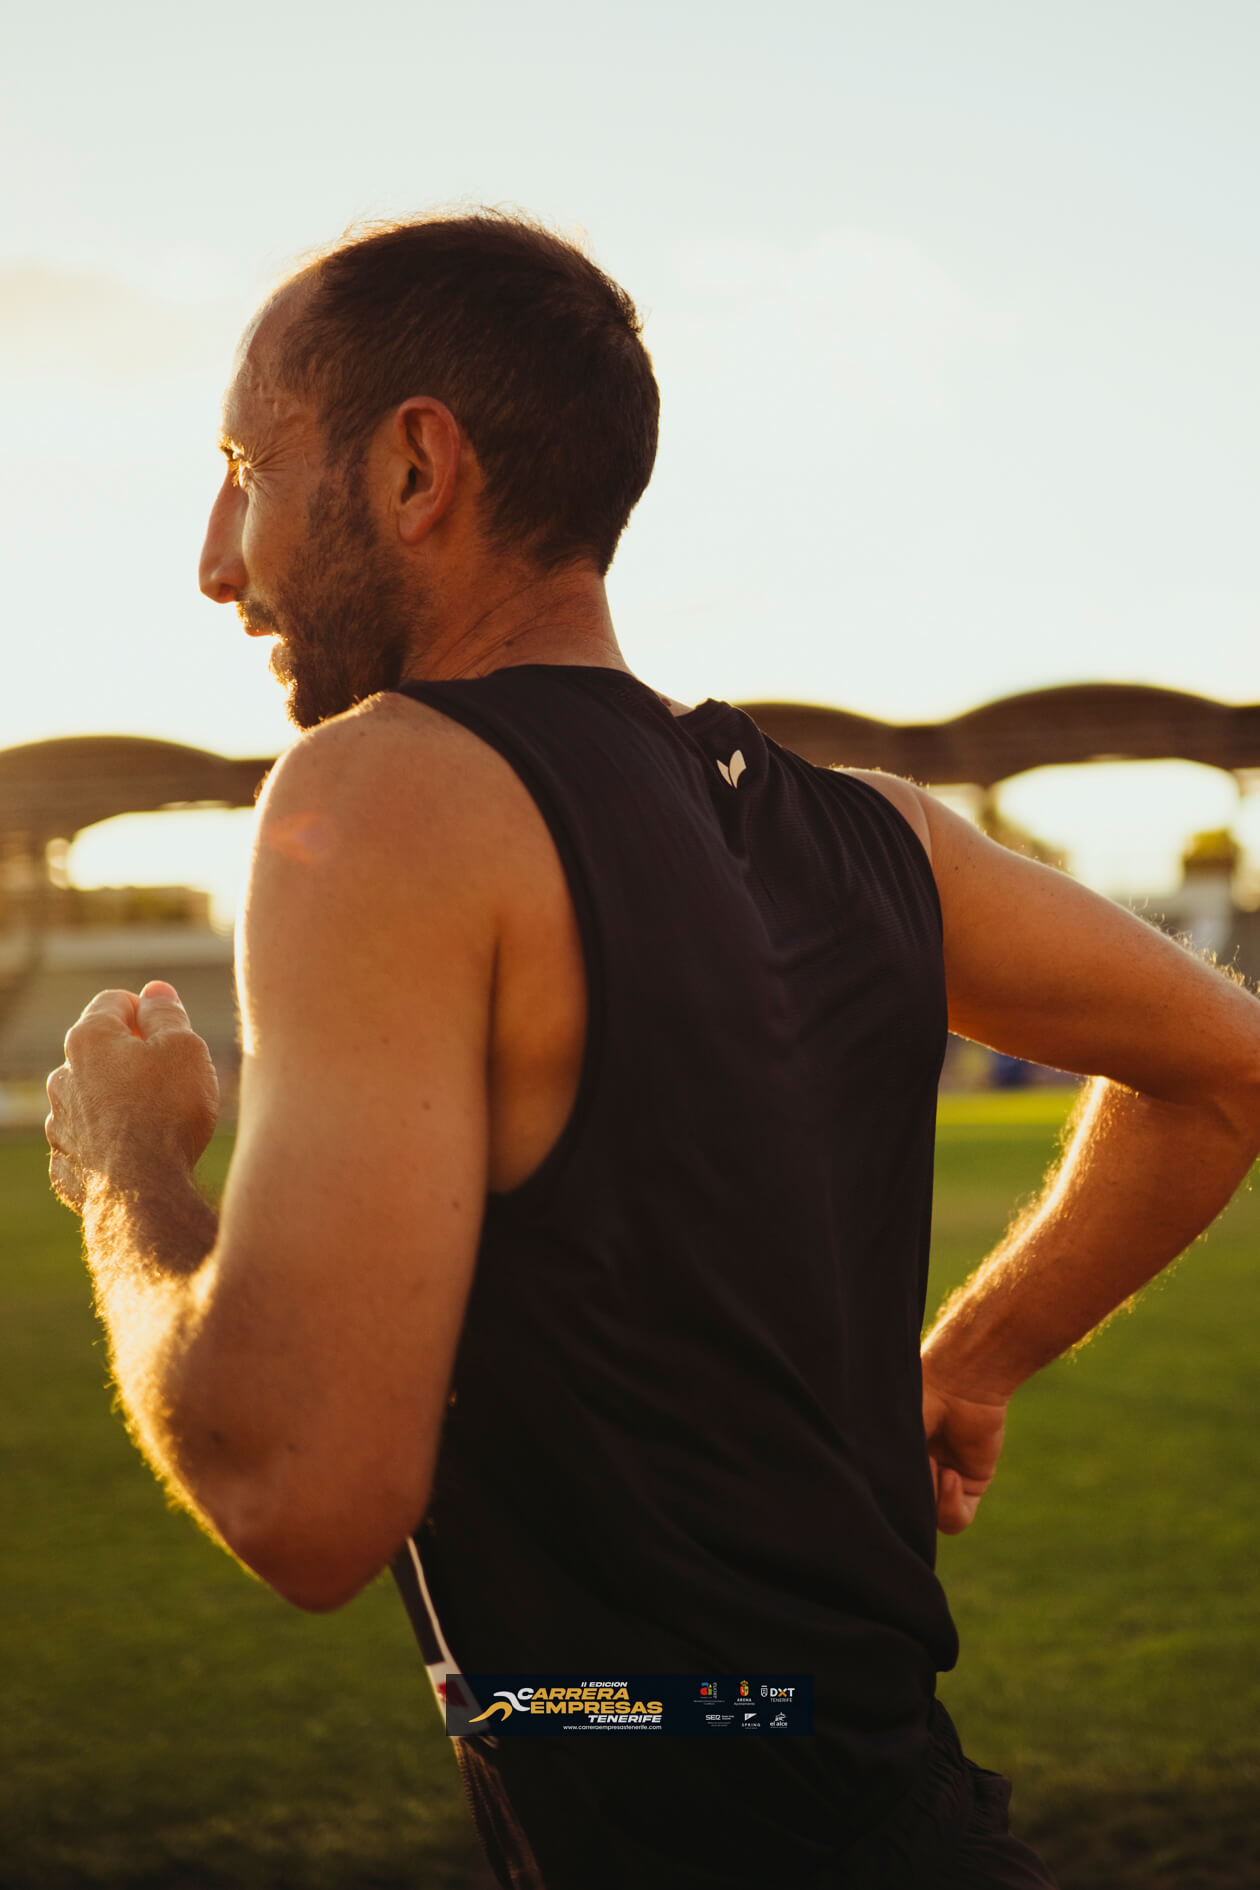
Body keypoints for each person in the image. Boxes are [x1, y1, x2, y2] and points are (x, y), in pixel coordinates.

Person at [44, 213, 1260, 1890]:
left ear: (416, 470)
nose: (215, 556)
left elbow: (301, 1483)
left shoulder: (380, 789)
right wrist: (972, 1360)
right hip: (911, 1816)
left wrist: (125, 1167)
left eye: (249, 465)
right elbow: (1228, 1067)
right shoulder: (877, 835)